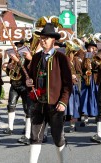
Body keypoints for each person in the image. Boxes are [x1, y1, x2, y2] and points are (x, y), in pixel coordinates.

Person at [26, 22, 72, 163]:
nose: (43, 40)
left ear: (53, 40)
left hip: (55, 104)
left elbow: (67, 83)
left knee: (58, 138)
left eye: (46, 38)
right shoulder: (36, 57)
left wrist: (63, 101)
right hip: (38, 103)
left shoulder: (61, 58)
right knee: (35, 137)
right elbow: (30, 78)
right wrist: (28, 83)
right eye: (42, 38)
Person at [5, 39, 33, 145]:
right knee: (10, 105)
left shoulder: (28, 58)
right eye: (18, 46)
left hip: (24, 85)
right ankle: (10, 128)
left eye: (21, 46)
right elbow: (9, 72)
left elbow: (28, 70)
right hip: (14, 83)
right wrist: (9, 67)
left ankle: (27, 131)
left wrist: (17, 61)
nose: (18, 48)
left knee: (27, 108)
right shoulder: (13, 57)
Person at [79, 40, 99, 127]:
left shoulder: (97, 56)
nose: (90, 49)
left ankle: (96, 115)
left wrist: (93, 66)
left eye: (92, 48)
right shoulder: (85, 56)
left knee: (95, 97)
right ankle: (85, 117)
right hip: (86, 79)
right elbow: (81, 67)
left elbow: (99, 67)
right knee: (85, 97)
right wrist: (85, 65)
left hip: (94, 79)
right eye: (89, 48)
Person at [65, 44, 83, 133]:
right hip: (64, 85)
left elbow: (80, 73)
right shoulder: (63, 60)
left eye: (69, 51)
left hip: (73, 85)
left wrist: (74, 76)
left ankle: (72, 125)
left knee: (73, 106)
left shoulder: (75, 60)